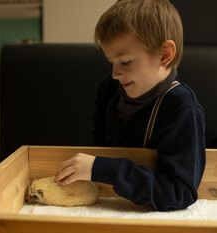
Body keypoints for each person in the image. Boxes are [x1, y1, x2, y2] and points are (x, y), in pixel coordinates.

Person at [54, 0, 206, 211]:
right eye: (110, 62)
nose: (115, 73)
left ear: (164, 54)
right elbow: (99, 139)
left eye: (125, 62)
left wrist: (104, 169)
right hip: (108, 200)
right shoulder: (110, 86)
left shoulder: (183, 107)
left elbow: (180, 192)